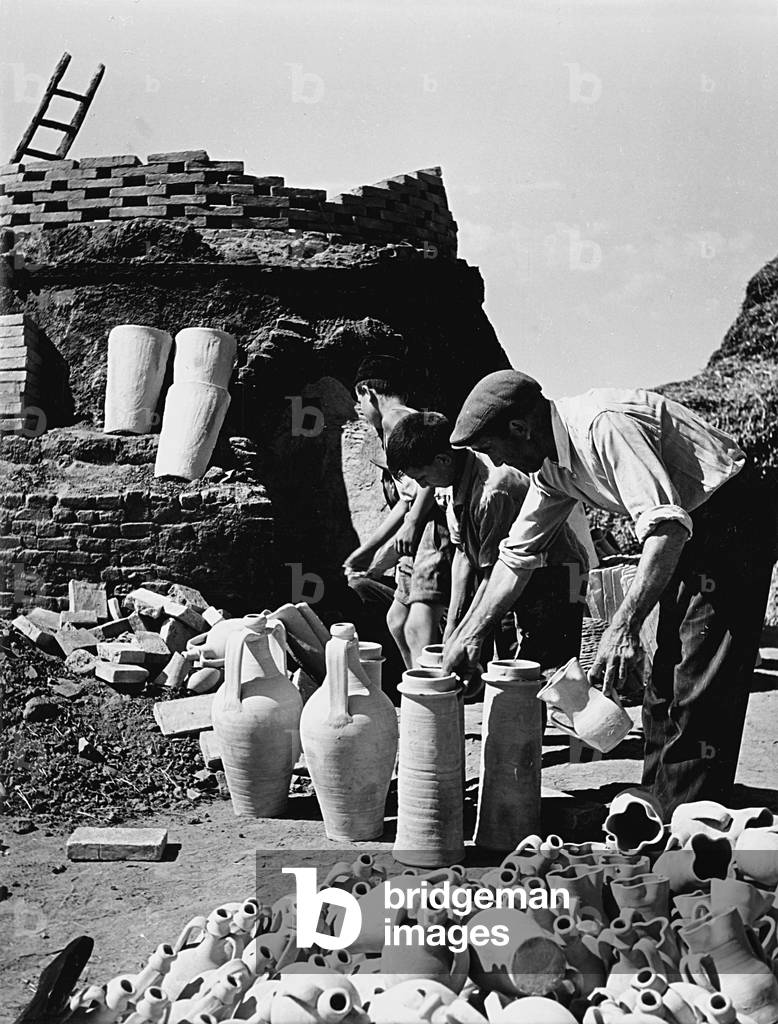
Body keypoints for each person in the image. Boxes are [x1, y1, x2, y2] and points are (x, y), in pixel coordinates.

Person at [442, 369, 777, 816]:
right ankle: (657, 803)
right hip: (683, 528)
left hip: (732, 513)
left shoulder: (602, 427)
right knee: (664, 673)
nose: (498, 464)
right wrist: (469, 637)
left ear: (520, 429)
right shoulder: (552, 467)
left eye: (493, 450)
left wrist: (623, 626)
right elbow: (516, 557)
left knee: (698, 675)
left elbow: (666, 528)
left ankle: (692, 822)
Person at [385, 410, 591, 668]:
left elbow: (493, 575)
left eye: (422, 478)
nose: (424, 486)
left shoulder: (493, 492)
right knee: (503, 665)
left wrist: (465, 635)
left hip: (557, 575)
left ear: (442, 460)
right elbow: (463, 555)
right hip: (514, 575)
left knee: (545, 673)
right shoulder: (454, 482)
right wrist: (453, 629)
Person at [343, 355, 452, 668]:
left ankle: (435, 696)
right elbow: (406, 499)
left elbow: (430, 483)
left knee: (420, 623)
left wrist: (414, 523)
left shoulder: (410, 423)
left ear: (370, 393)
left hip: (435, 527)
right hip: (417, 532)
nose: (358, 410)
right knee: (396, 620)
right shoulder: (389, 429)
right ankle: (420, 687)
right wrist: (368, 550)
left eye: (359, 400)